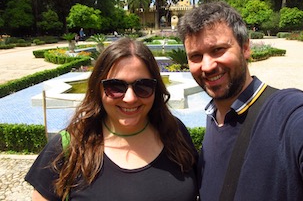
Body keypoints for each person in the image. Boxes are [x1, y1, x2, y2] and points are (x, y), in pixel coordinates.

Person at [177, 1, 303, 200]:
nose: (207, 66)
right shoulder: (214, 117)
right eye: (196, 56)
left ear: (245, 48)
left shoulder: (287, 113)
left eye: (218, 50)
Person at [25, 38, 198, 201]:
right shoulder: (69, 147)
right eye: (115, 87)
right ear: (98, 89)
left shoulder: (175, 133)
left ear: (156, 89)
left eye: (143, 86)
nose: (130, 98)